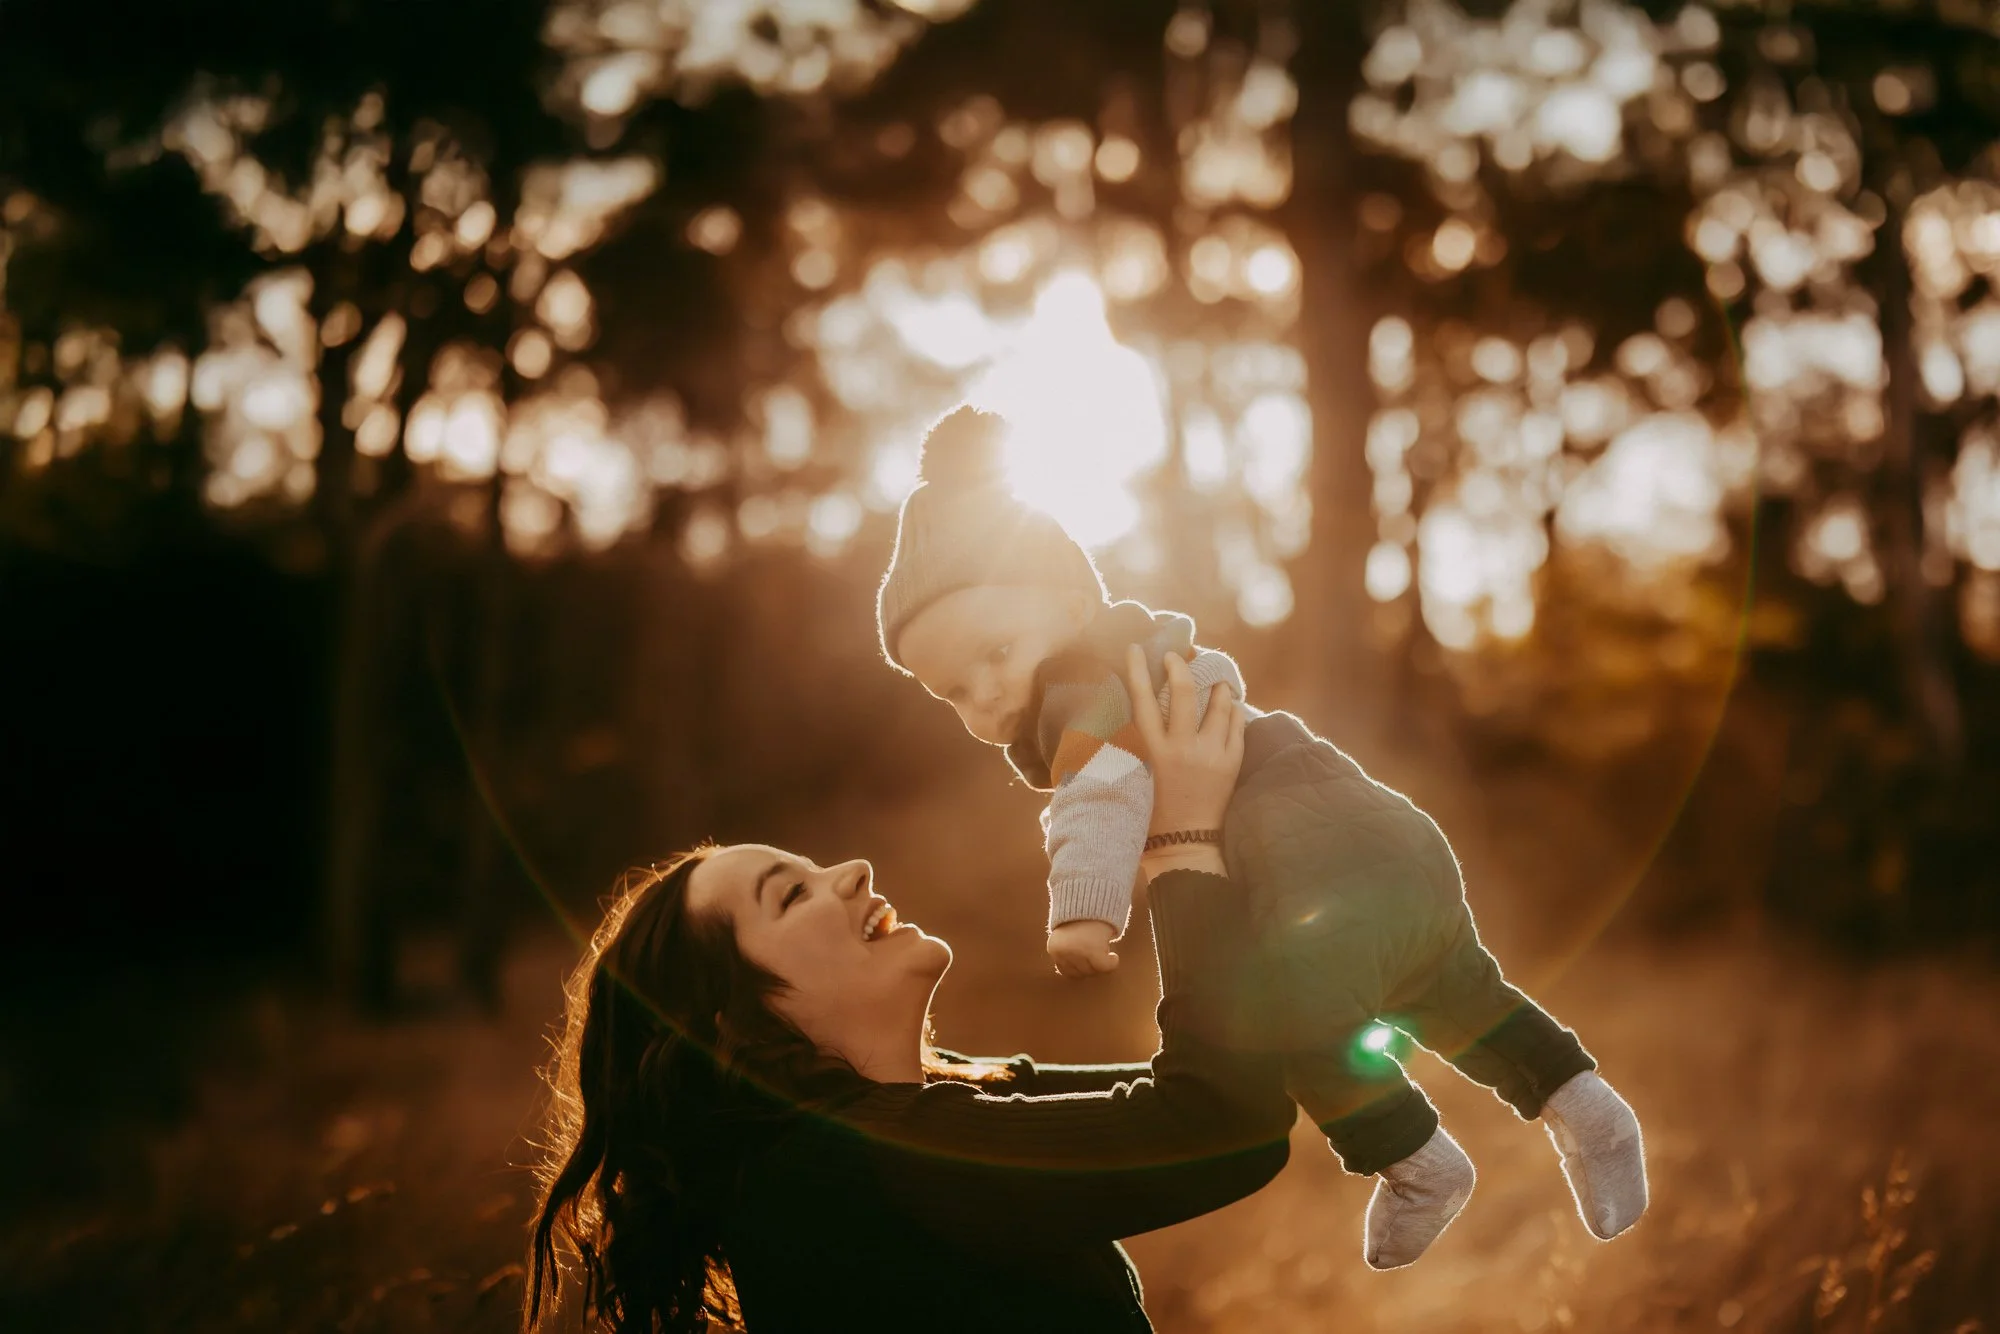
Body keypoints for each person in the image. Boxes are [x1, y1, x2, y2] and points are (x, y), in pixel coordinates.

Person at [874, 404, 1649, 1270]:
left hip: (1304, 870)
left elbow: (1095, 797)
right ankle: (1587, 1106)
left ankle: (1416, 1160)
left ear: (1068, 603)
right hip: (1383, 830)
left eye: (995, 652)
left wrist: (1084, 913)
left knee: (1290, 1016)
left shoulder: (1083, 688)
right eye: (952, 692)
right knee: (1455, 987)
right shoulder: (1157, 656)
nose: (984, 693)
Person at [527, 649, 1297, 1334]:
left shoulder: (895, 1124)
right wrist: (1182, 845)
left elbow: (1238, 1079)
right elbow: (1226, 1120)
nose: (852, 870)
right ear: (733, 1019)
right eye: (790, 896)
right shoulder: (853, 1168)